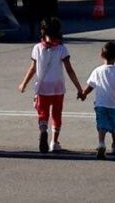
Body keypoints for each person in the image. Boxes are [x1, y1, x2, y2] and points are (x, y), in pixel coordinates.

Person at [18, 17, 84, 153]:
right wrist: (79, 88)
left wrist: (23, 83)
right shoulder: (62, 49)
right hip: (58, 87)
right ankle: (54, 142)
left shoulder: (37, 48)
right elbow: (70, 70)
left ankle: (43, 130)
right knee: (57, 114)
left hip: (42, 88)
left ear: (42, 31)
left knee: (43, 114)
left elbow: (33, 68)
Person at [78, 41, 115, 159]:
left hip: (100, 103)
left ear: (101, 55)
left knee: (101, 125)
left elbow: (91, 86)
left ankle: (101, 143)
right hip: (114, 105)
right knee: (114, 126)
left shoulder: (97, 71)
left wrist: (84, 94)